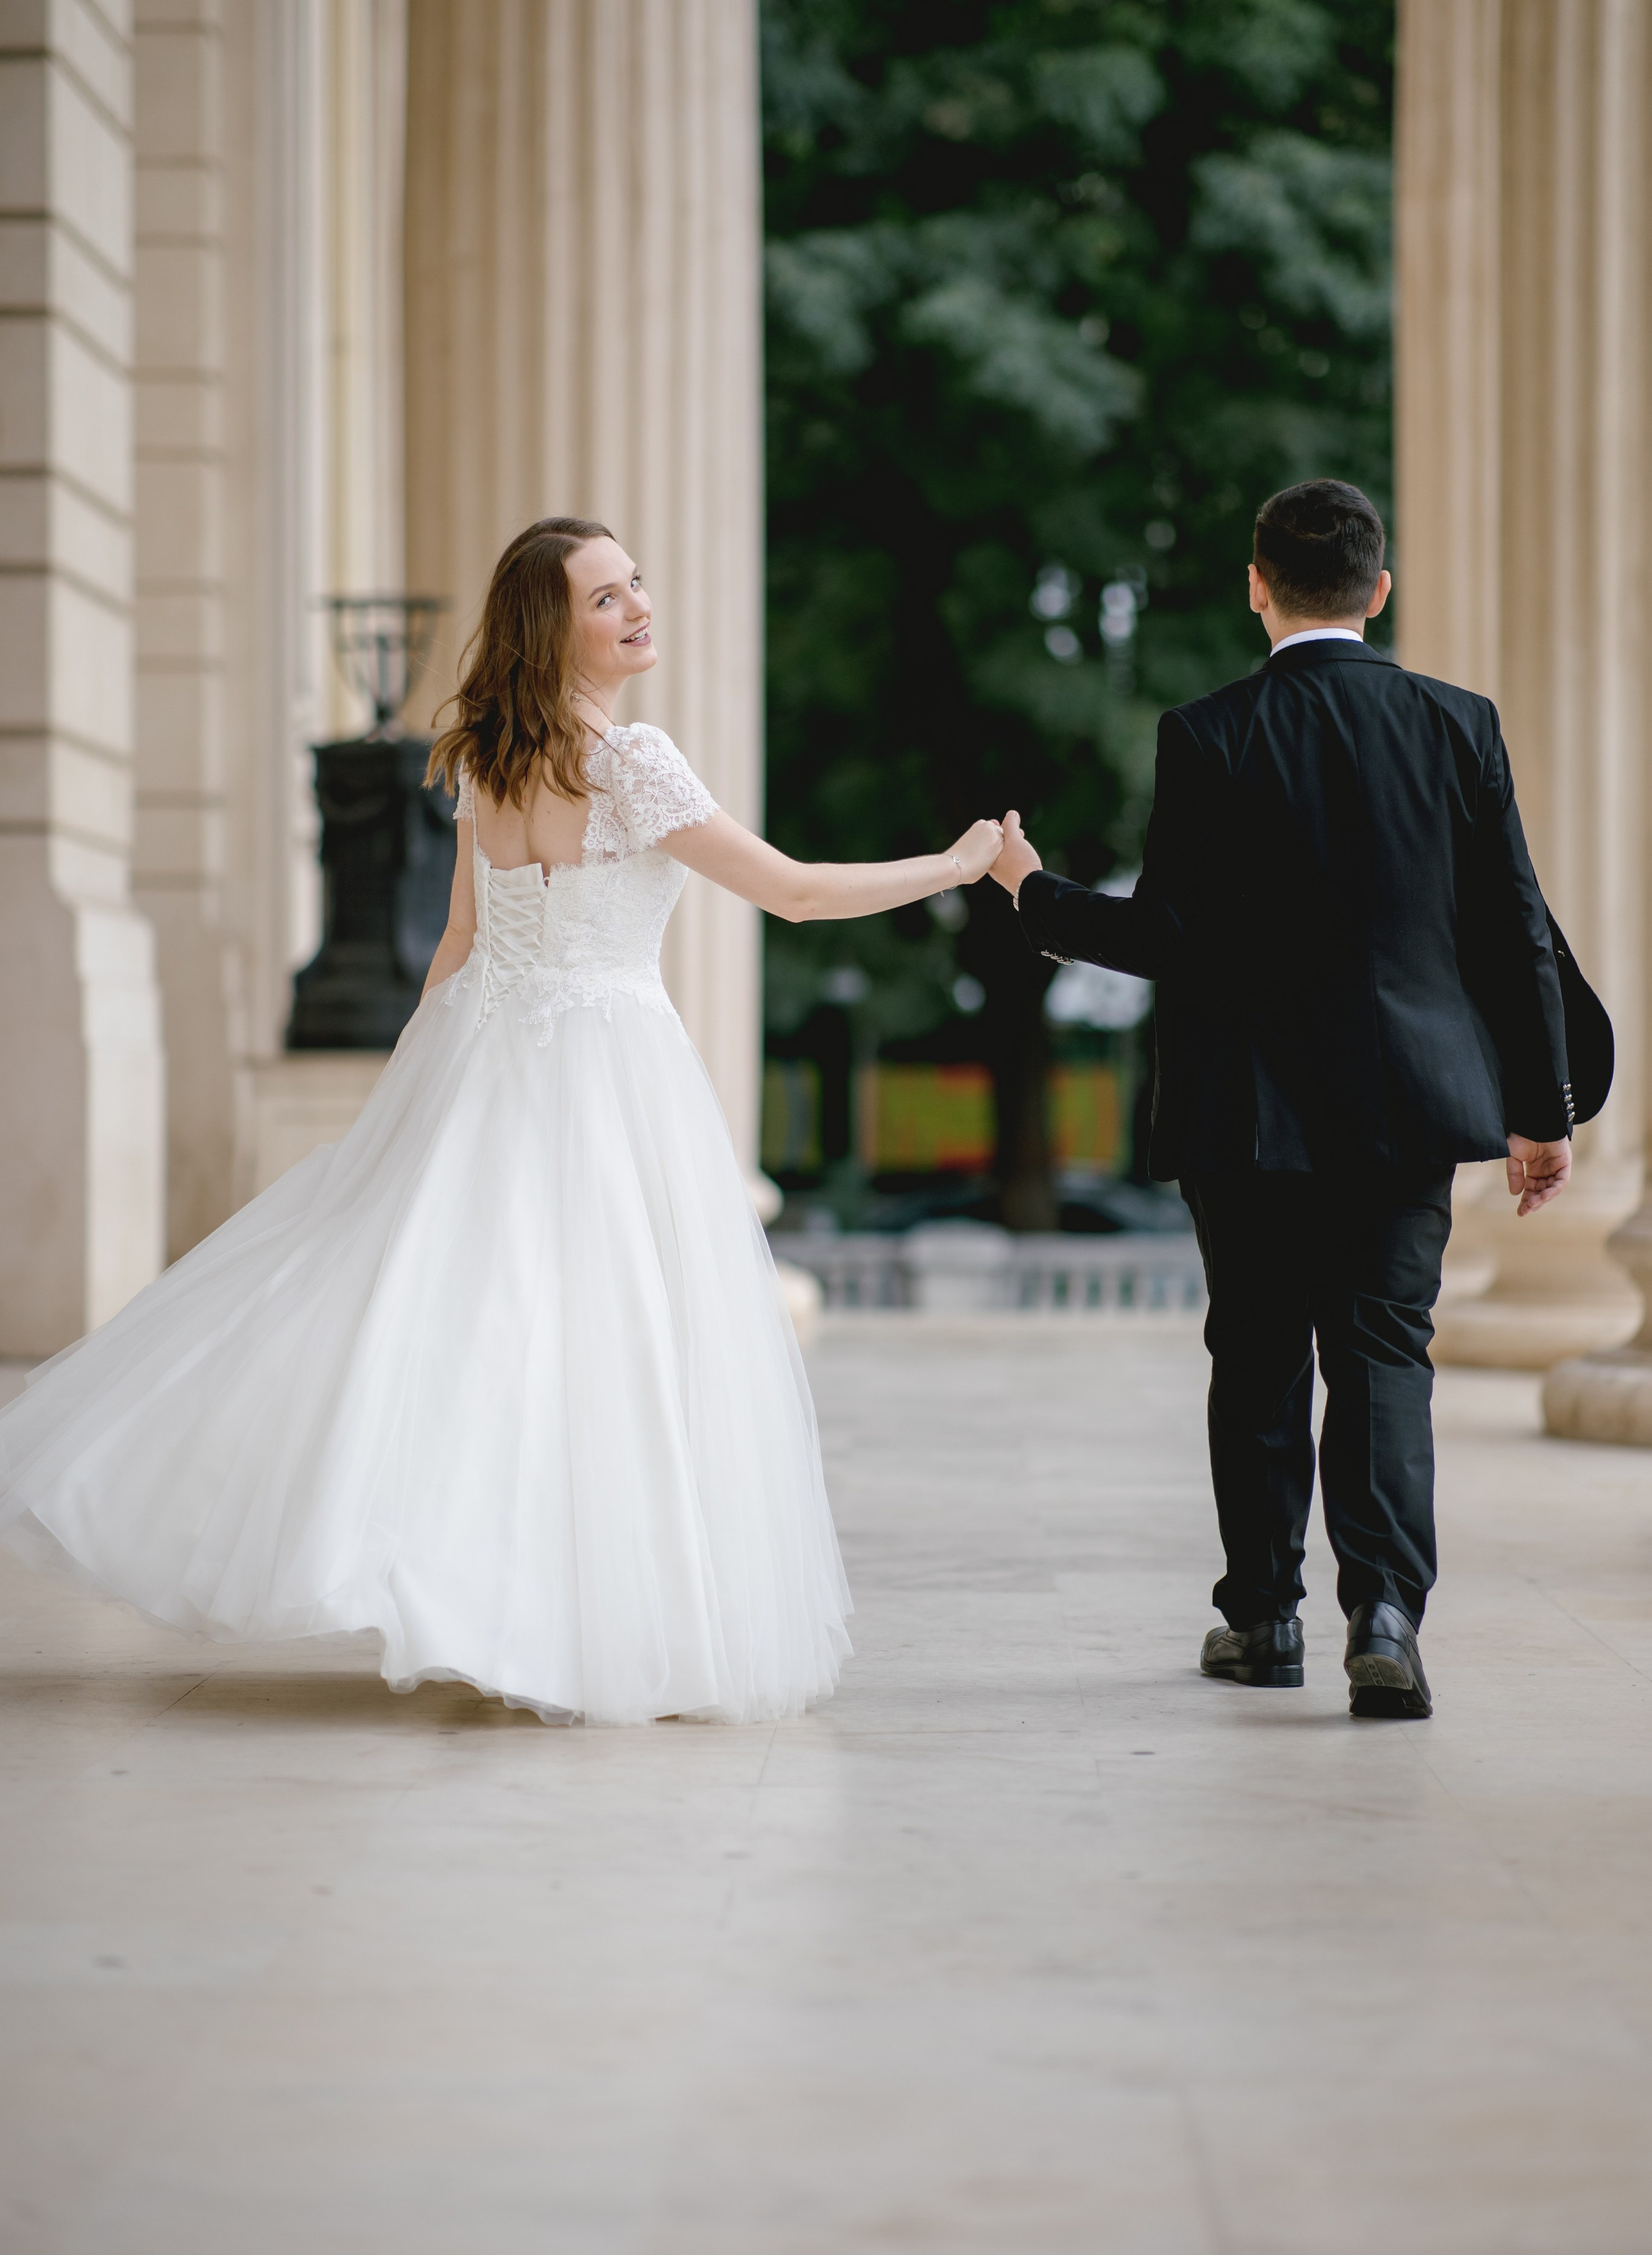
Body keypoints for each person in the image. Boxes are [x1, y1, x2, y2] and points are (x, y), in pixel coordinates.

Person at [0, 516, 1003, 1727]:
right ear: (553, 627)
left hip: (484, 1051)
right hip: (607, 1068)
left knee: (476, 1331)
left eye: (637, 584)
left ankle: (489, 1600)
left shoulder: (487, 758)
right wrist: (951, 868)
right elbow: (789, 893)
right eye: (604, 597)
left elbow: (461, 945)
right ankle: (553, 1616)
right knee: (595, 1340)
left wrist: (412, 1106)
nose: (637, 606)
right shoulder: (633, 761)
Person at [988, 479, 1574, 1720]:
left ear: (1258, 587)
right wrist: (1542, 1107)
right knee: (1383, 1354)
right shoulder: (1460, 726)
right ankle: (1388, 1615)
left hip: (1247, 1113)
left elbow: (1176, 937)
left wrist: (1037, 895)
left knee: (1255, 1356)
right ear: (1380, 589)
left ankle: (1264, 1620)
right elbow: (1515, 929)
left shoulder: (1207, 733)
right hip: (1413, 1105)